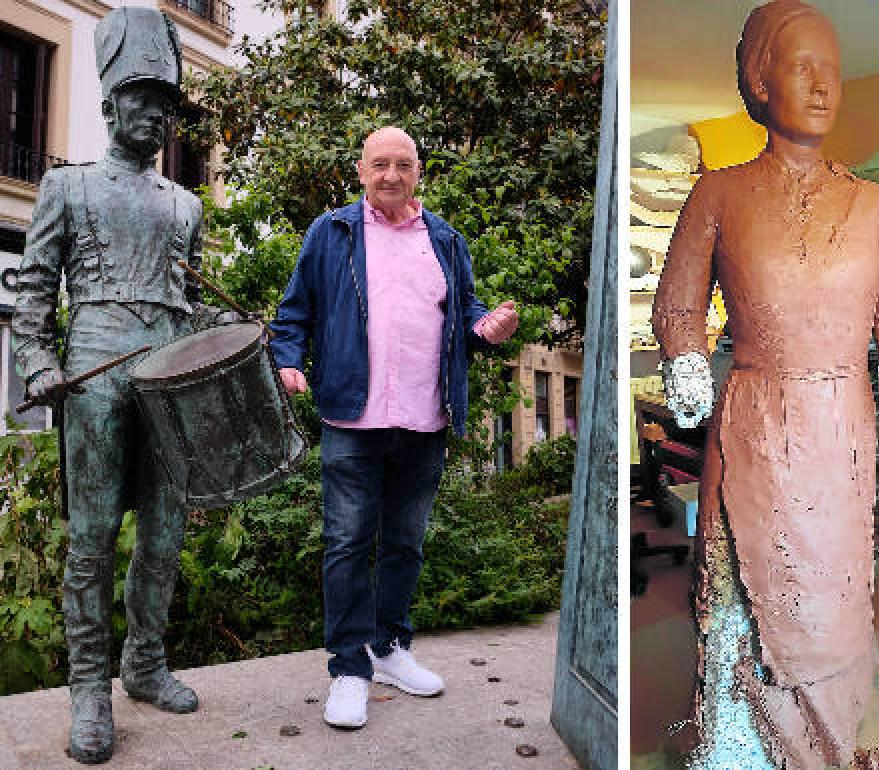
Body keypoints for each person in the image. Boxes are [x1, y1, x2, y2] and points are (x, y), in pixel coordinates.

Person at [651, 2, 879, 767]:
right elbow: (677, 306)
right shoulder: (719, 194)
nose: (820, 85)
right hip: (756, 420)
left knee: (831, 601)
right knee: (748, 595)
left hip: (841, 431)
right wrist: (686, 360)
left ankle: (825, 738)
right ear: (760, 80)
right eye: (802, 67)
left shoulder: (871, 204)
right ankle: (745, 747)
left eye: (832, 71)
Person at [14, 7, 239, 764]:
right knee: (92, 540)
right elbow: (33, 294)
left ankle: (145, 664)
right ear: (111, 103)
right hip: (94, 375)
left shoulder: (186, 204)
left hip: (168, 381)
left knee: (165, 536)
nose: (157, 114)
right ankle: (89, 691)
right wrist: (38, 363)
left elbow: (186, 297)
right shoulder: (67, 187)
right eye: (144, 98)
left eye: (167, 103)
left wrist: (229, 326)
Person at [268, 126, 519, 729]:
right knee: (347, 543)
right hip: (352, 416)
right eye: (379, 164)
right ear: (360, 171)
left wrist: (485, 326)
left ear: (418, 173)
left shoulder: (445, 239)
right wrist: (286, 359)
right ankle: (349, 669)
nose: (390, 175)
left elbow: (464, 309)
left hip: (425, 418)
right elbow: (294, 312)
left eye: (402, 165)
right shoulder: (331, 233)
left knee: (406, 541)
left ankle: (388, 647)